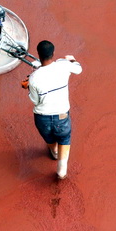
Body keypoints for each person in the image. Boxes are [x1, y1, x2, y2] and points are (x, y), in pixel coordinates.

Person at [24, 40, 82, 179]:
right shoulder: (63, 66)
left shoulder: (33, 78)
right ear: (53, 53)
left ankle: (54, 152)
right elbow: (79, 69)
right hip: (61, 116)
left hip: (42, 118)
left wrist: (27, 87)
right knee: (64, 137)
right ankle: (62, 169)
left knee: (49, 137)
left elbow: (35, 101)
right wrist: (72, 59)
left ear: (39, 54)